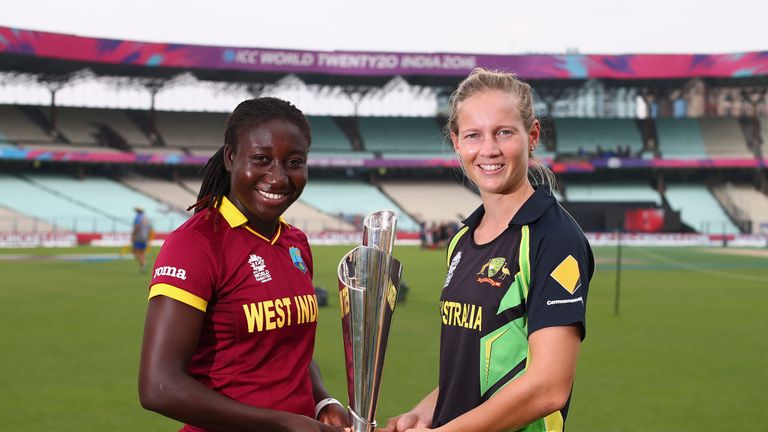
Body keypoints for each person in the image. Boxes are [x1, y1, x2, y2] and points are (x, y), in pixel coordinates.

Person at [384, 69, 594, 432]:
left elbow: (549, 388)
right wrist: (423, 413)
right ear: (456, 142)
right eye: (473, 135)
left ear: (533, 135)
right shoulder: (461, 239)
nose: (488, 150)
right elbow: (472, 371)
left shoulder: (555, 239)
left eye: (504, 132)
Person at [138, 97, 349, 432]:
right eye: (261, 159)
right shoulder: (196, 244)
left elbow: (290, 348)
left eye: (294, 162)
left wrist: (322, 400)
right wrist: (281, 423)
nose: (278, 178)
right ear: (230, 157)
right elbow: (158, 386)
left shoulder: (295, 242)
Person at [132, 207, 153, 273]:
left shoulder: (138, 217)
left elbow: (137, 226)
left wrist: (133, 234)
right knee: (142, 251)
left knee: (136, 251)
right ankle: (143, 265)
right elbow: (150, 228)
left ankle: (143, 263)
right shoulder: (146, 218)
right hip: (145, 237)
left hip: (138, 236)